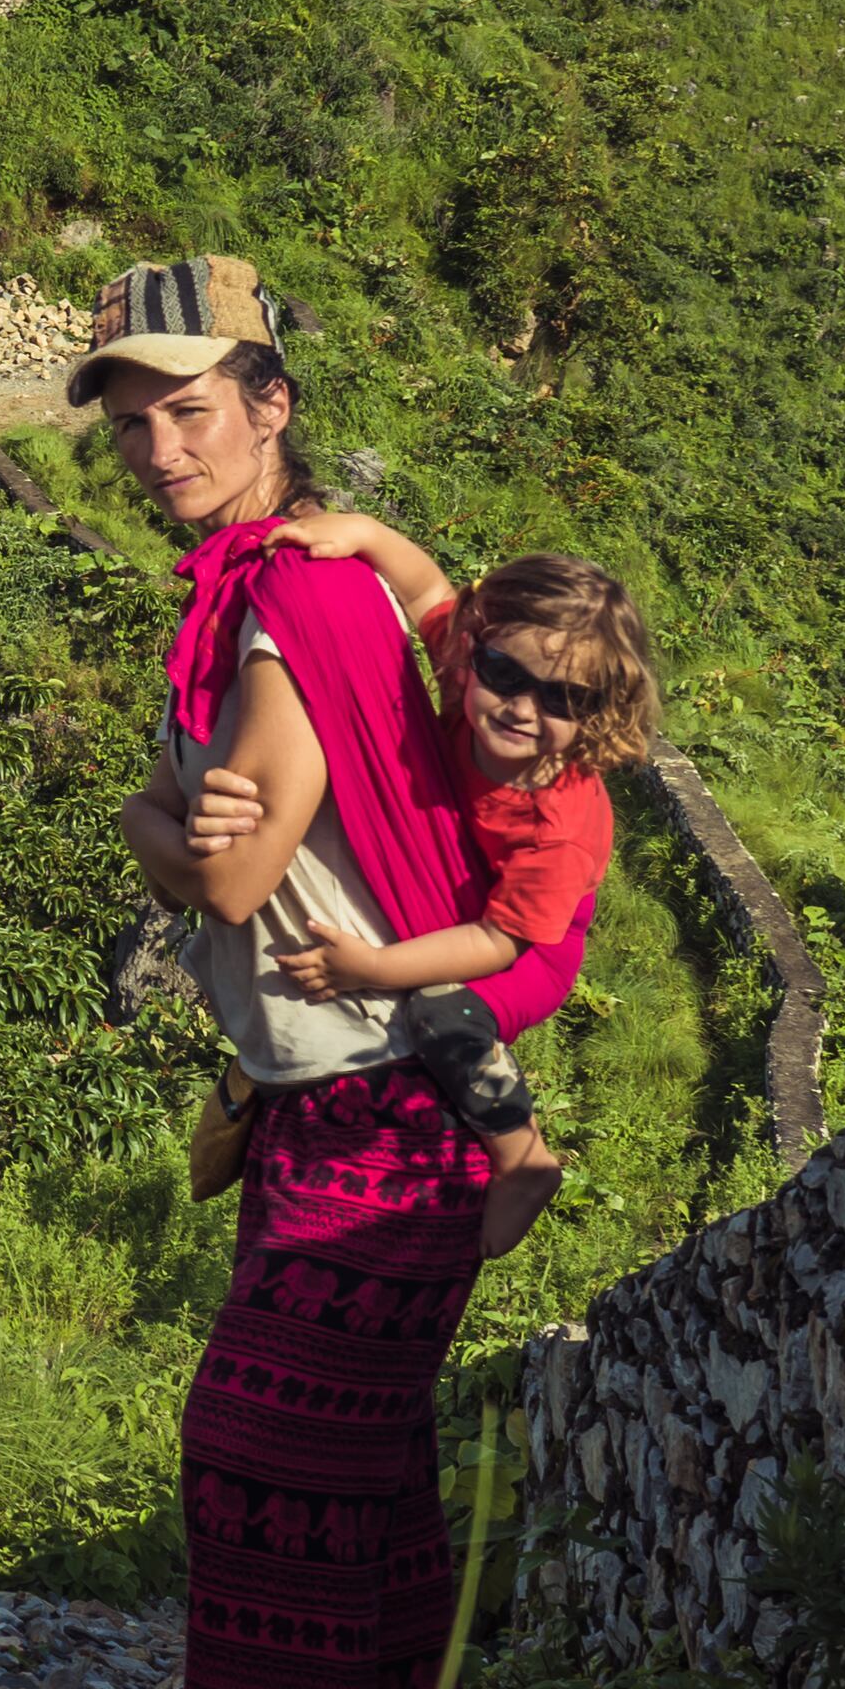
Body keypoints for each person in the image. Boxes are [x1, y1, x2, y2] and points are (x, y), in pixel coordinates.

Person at [80, 255, 500, 1689]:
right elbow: (208, 840)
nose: (159, 450)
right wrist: (168, 824)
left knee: (253, 1457)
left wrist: (143, 819)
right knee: (363, 1485)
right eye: (134, 424)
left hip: (381, 1097)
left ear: (272, 403)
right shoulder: (246, 599)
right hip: (324, 1101)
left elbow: (231, 868)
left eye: (189, 411)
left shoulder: (295, 601)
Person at [265, 528, 665, 1259]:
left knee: (444, 1015)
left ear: (598, 712)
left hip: (534, 945)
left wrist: (372, 968)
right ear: (476, 649)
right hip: (476, 888)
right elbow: (425, 587)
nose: (522, 707)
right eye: (505, 673)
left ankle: (525, 1159)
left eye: (563, 698)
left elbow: (499, 940)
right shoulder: (464, 675)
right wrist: (359, 533)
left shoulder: (558, 827)